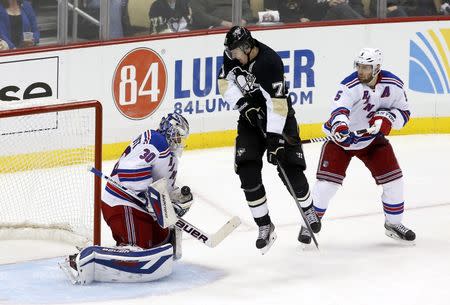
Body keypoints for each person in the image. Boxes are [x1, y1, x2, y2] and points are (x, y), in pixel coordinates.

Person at [218, 26, 320, 254]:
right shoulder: (230, 56)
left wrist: (274, 139)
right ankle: (264, 225)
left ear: (246, 47)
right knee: (246, 169)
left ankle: (308, 210)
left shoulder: (270, 62)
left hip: (279, 117)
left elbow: (278, 104)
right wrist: (244, 106)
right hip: (250, 119)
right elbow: (224, 84)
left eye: (235, 52)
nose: (232, 56)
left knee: (289, 165)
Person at [298, 48, 416, 245]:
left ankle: (394, 224)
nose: (361, 71)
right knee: (327, 186)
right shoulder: (349, 85)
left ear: (377, 68)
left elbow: (404, 113)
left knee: (394, 181)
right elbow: (338, 110)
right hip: (341, 142)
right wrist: (341, 127)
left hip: (371, 140)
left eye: (366, 68)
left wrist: (386, 118)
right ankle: (308, 224)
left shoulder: (393, 85)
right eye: (359, 66)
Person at [60, 112, 194, 285]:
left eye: (181, 138)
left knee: (162, 239)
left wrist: (178, 200)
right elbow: (129, 170)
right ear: (168, 130)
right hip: (122, 203)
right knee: (137, 251)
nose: (179, 141)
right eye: (177, 135)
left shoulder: (170, 156)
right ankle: (84, 258)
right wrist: (148, 197)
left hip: (138, 206)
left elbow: (163, 188)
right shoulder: (156, 141)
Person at [190, 0, 254, 30]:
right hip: (213, 29)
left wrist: (244, 20)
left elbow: (248, 12)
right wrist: (223, 23)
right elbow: (199, 15)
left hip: (240, 27)